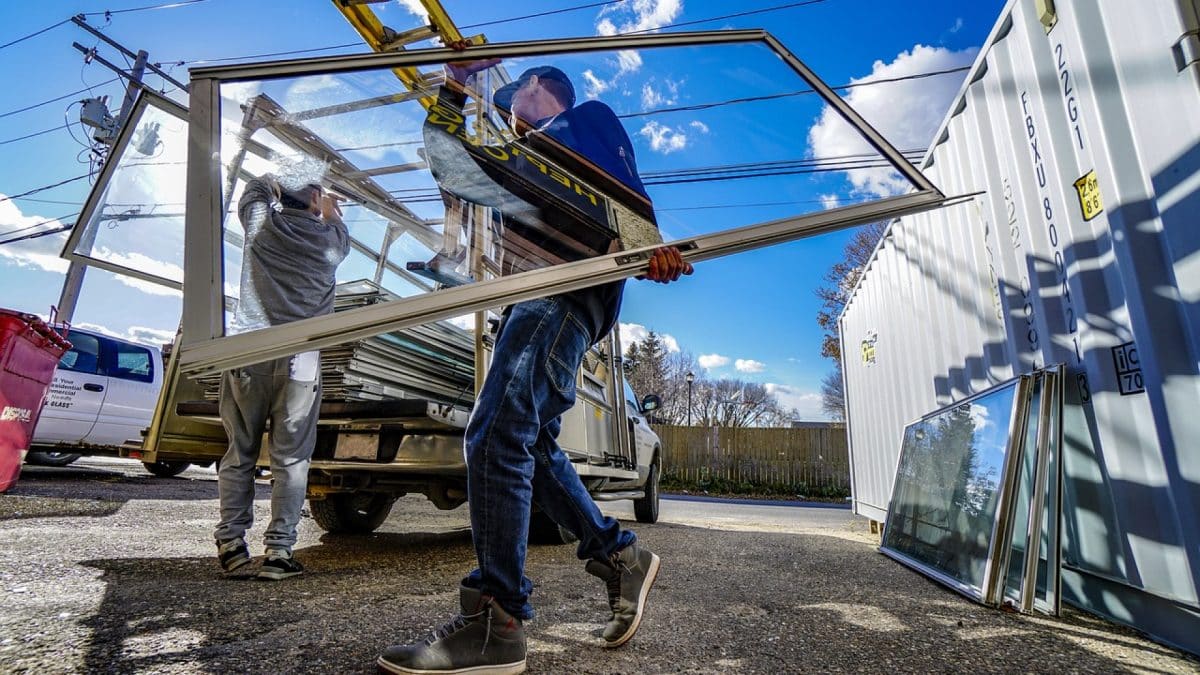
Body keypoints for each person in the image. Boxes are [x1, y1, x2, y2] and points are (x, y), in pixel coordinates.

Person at [377, 48, 693, 674]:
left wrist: (646, 246)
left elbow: (623, 183)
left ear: (541, 89)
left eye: (513, 95)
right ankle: (616, 556)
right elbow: (448, 161)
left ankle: (498, 620)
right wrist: (452, 88)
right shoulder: (513, 162)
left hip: (565, 291)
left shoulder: (580, 124)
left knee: (495, 434)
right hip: (527, 301)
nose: (508, 111)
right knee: (530, 445)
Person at [214, 173, 349, 581]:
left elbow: (254, 189)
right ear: (312, 200)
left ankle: (232, 545)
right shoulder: (330, 241)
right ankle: (278, 552)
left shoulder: (262, 225)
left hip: (250, 352)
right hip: (301, 361)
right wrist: (327, 208)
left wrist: (279, 180)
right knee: (291, 460)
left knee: (240, 451)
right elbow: (338, 225)